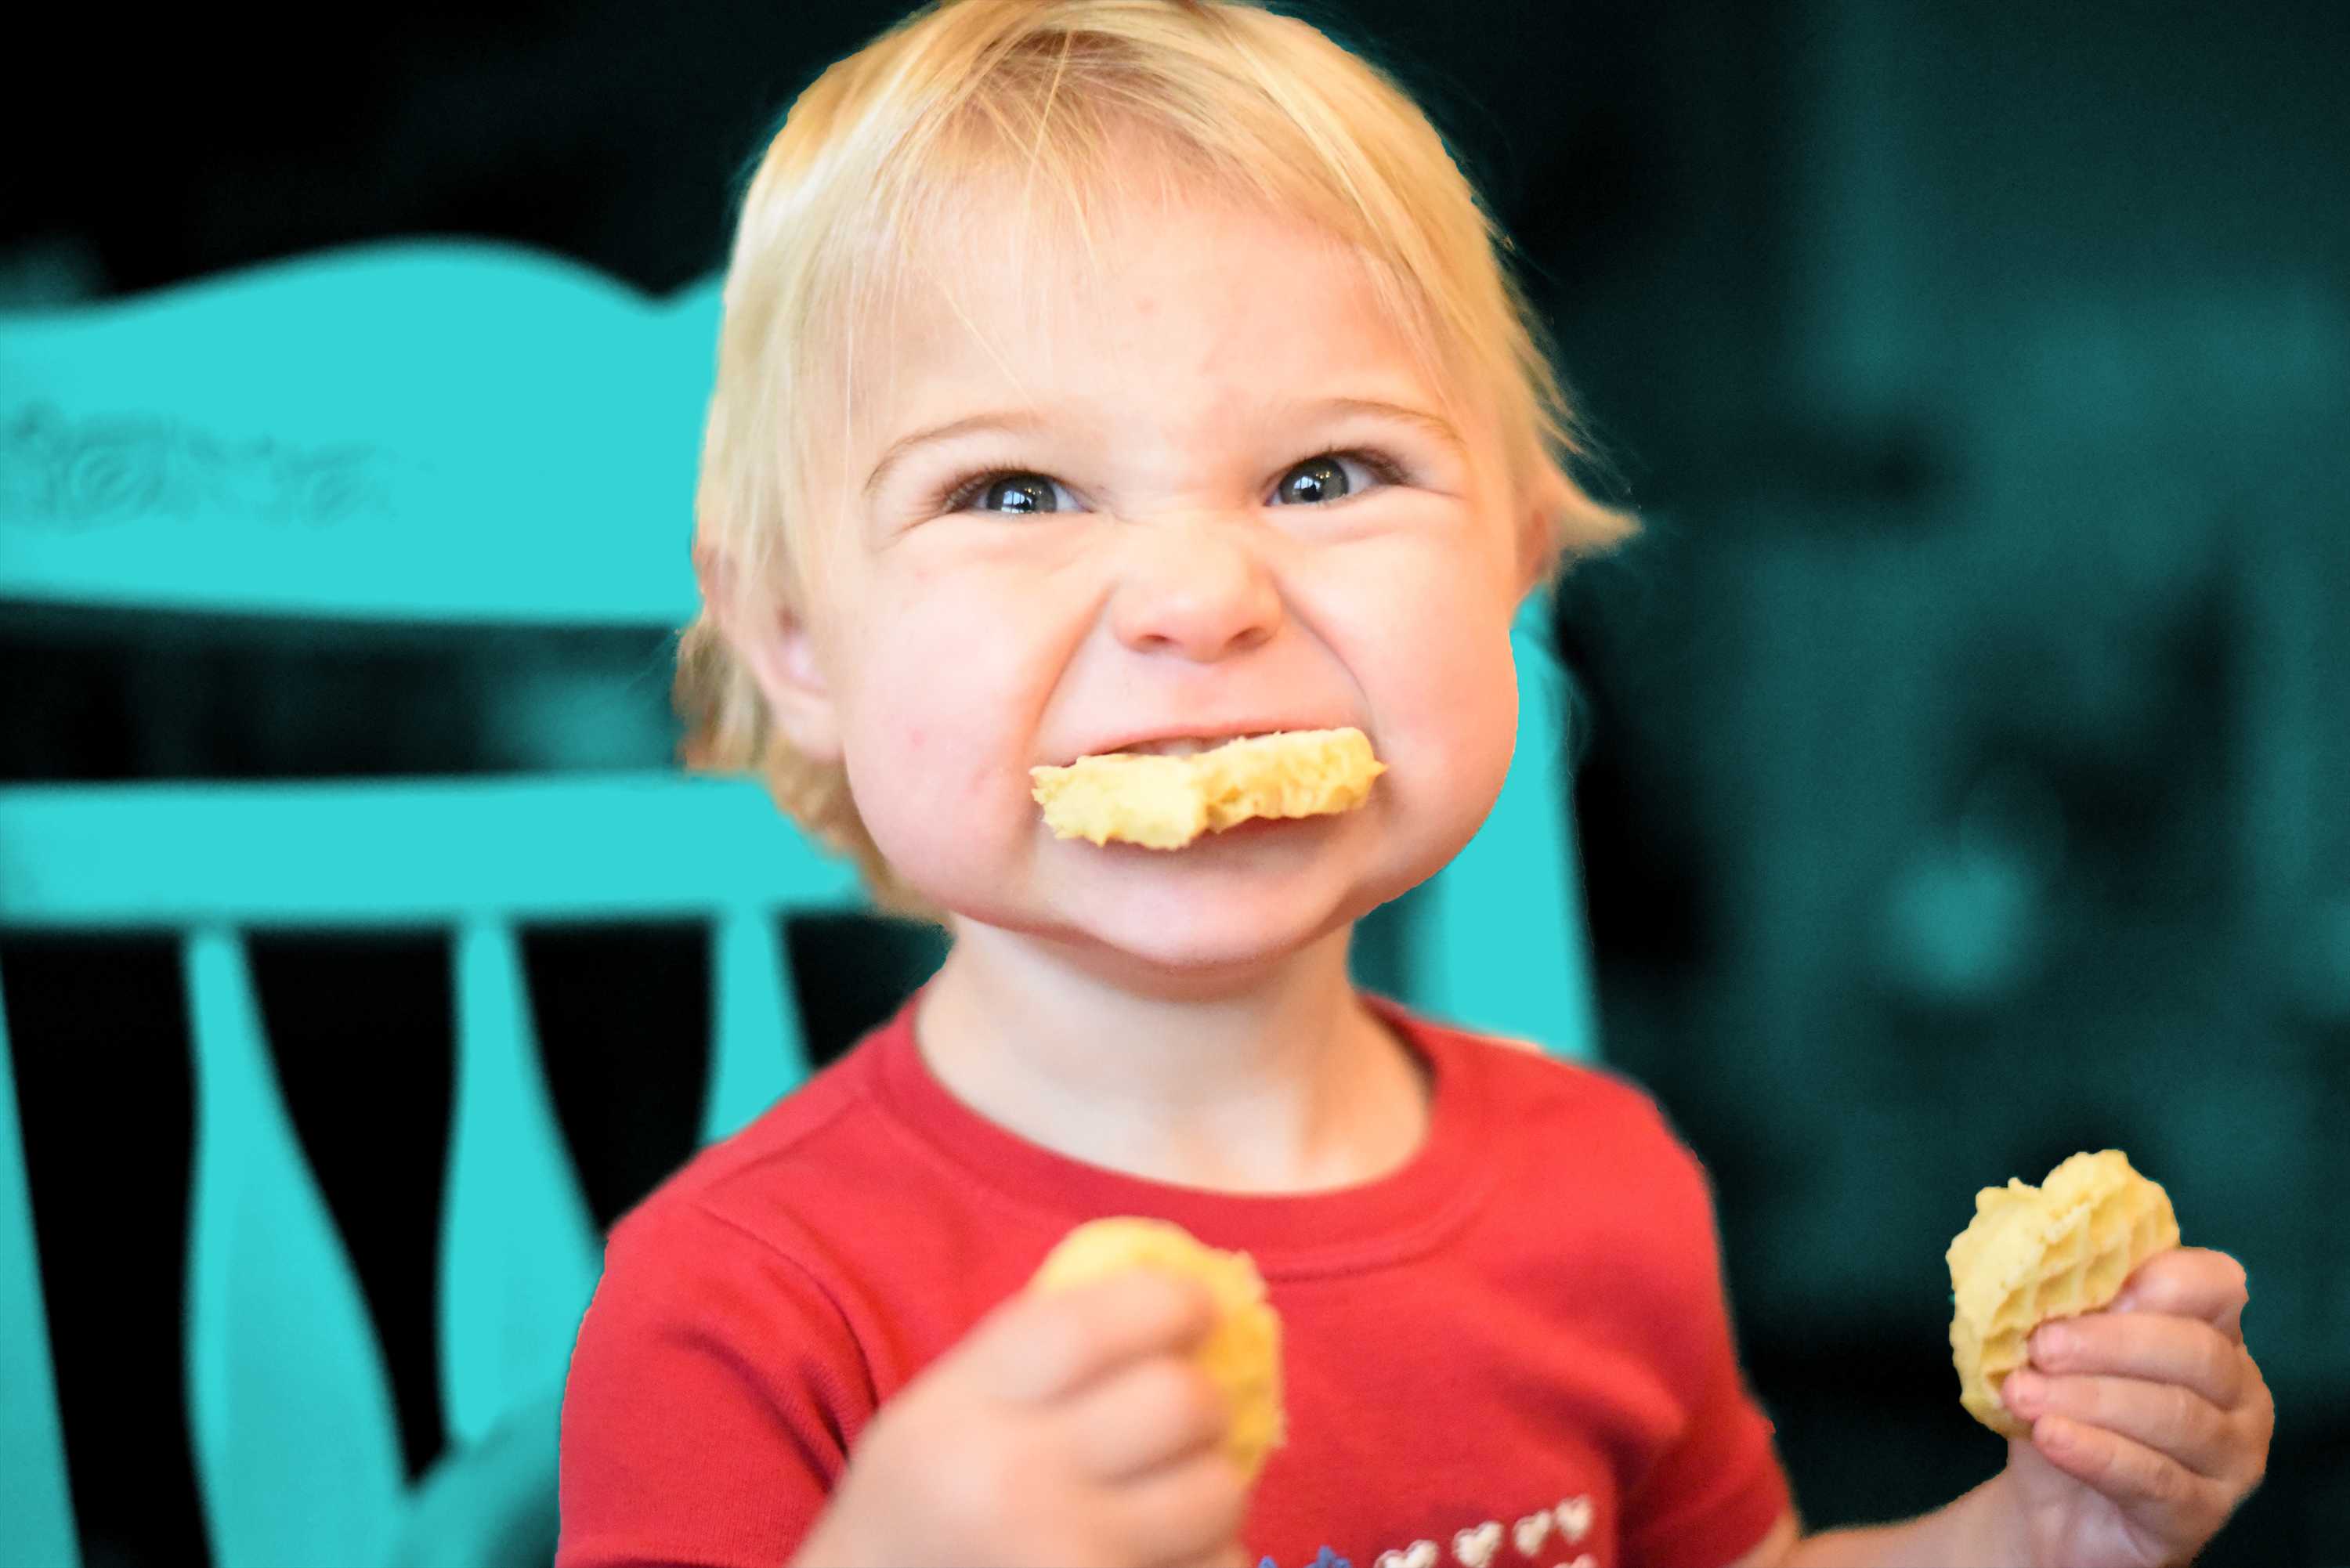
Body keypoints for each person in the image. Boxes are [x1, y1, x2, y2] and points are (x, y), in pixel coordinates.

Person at [555, 3, 2273, 1564]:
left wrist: (2035, 1536)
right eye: (1012, 492)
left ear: (1516, 571)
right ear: (793, 639)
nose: (1202, 596)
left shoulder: (1603, 1183)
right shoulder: (744, 1305)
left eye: (1325, 471)